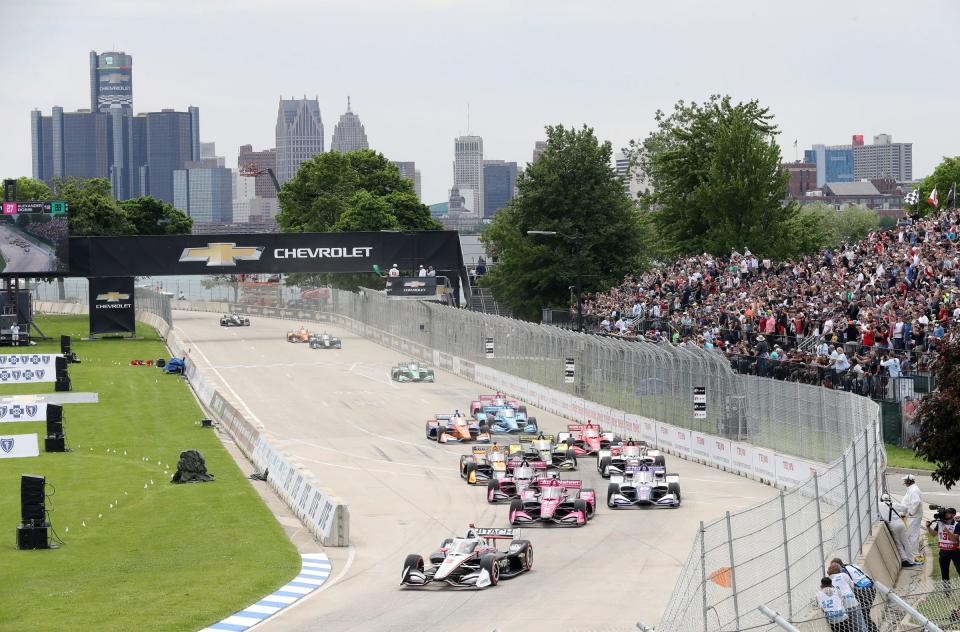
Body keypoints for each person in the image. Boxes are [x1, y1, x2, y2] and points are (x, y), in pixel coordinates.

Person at [832, 557, 879, 632]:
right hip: (871, 589)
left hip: (863, 591)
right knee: (864, 613)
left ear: (838, 566)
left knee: (863, 615)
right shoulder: (853, 566)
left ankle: (873, 630)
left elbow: (850, 585)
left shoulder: (843, 571)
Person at [879, 493, 920, 567]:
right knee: (906, 542)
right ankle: (911, 560)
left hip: (893, 525)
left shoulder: (880, 505)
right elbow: (905, 508)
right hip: (901, 524)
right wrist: (903, 515)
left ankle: (904, 560)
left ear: (881, 499)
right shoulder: (894, 504)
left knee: (898, 543)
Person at [828, 561, 868, 632]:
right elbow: (852, 586)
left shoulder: (828, 581)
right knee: (860, 626)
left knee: (849, 628)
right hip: (852, 603)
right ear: (839, 569)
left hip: (841, 608)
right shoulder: (843, 575)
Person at [894, 474, 924, 563]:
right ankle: (912, 553)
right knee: (910, 534)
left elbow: (916, 501)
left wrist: (911, 512)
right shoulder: (911, 489)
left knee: (912, 535)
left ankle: (914, 555)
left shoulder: (913, 490)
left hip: (913, 516)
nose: (904, 482)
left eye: (905, 481)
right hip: (911, 516)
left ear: (909, 481)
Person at [927, 507, 960, 582]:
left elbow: (954, 539)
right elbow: (933, 534)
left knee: (959, 570)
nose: (945, 514)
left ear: (953, 515)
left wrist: (946, 530)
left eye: (948, 513)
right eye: (946, 513)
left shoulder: (957, 525)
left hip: (954, 551)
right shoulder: (940, 523)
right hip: (943, 552)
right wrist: (928, 527)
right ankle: (946, 592)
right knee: (944, 574)